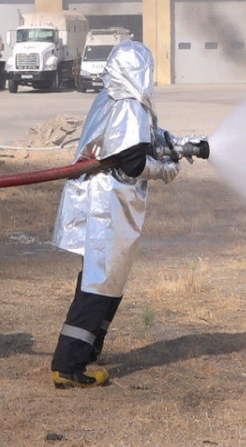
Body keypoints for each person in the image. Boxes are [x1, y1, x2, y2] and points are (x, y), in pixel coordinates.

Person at [50, 40, 192, 388]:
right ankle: (69, 366)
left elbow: (135, 141)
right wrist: (163, 170)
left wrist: (173, 142)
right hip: (108, 205)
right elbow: (132, 161)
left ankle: (86, 348)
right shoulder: (130, 105)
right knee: (99, 283)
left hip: (103, 201)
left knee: (103, 279)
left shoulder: (111, 97)